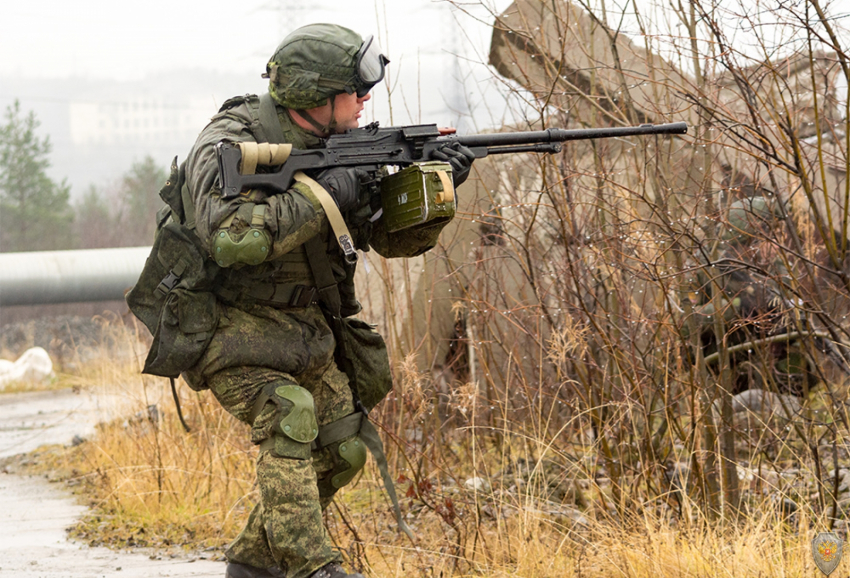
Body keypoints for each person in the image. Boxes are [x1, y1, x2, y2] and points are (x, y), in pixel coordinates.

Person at [127, 23, 474, 578]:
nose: (366, 100)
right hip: (223, 327)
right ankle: (315, 569)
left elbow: (387, 237)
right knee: (292, 416)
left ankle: (252, 565)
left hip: (301, 330)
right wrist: (328, 189)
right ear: (316, 95)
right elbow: (233, 239)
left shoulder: (337, 147)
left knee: (344, 449)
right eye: (354, 90)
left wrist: (437, 191)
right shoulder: (228, 142)